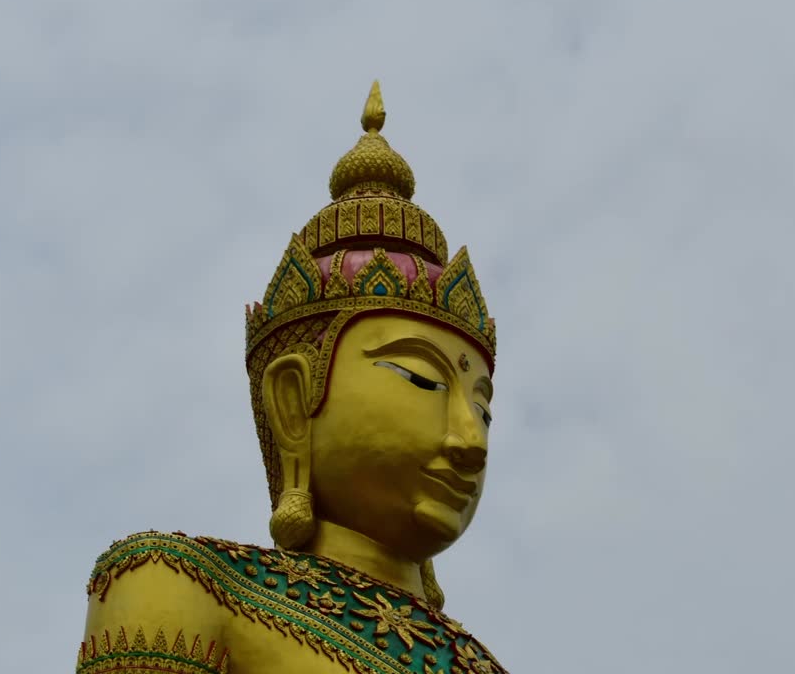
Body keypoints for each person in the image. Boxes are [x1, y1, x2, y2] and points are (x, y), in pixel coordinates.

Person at [77, 82, 505, 674]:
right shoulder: (183, 586)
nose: (471, 441)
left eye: (483, 409)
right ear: (292, 400)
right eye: (423, 381)